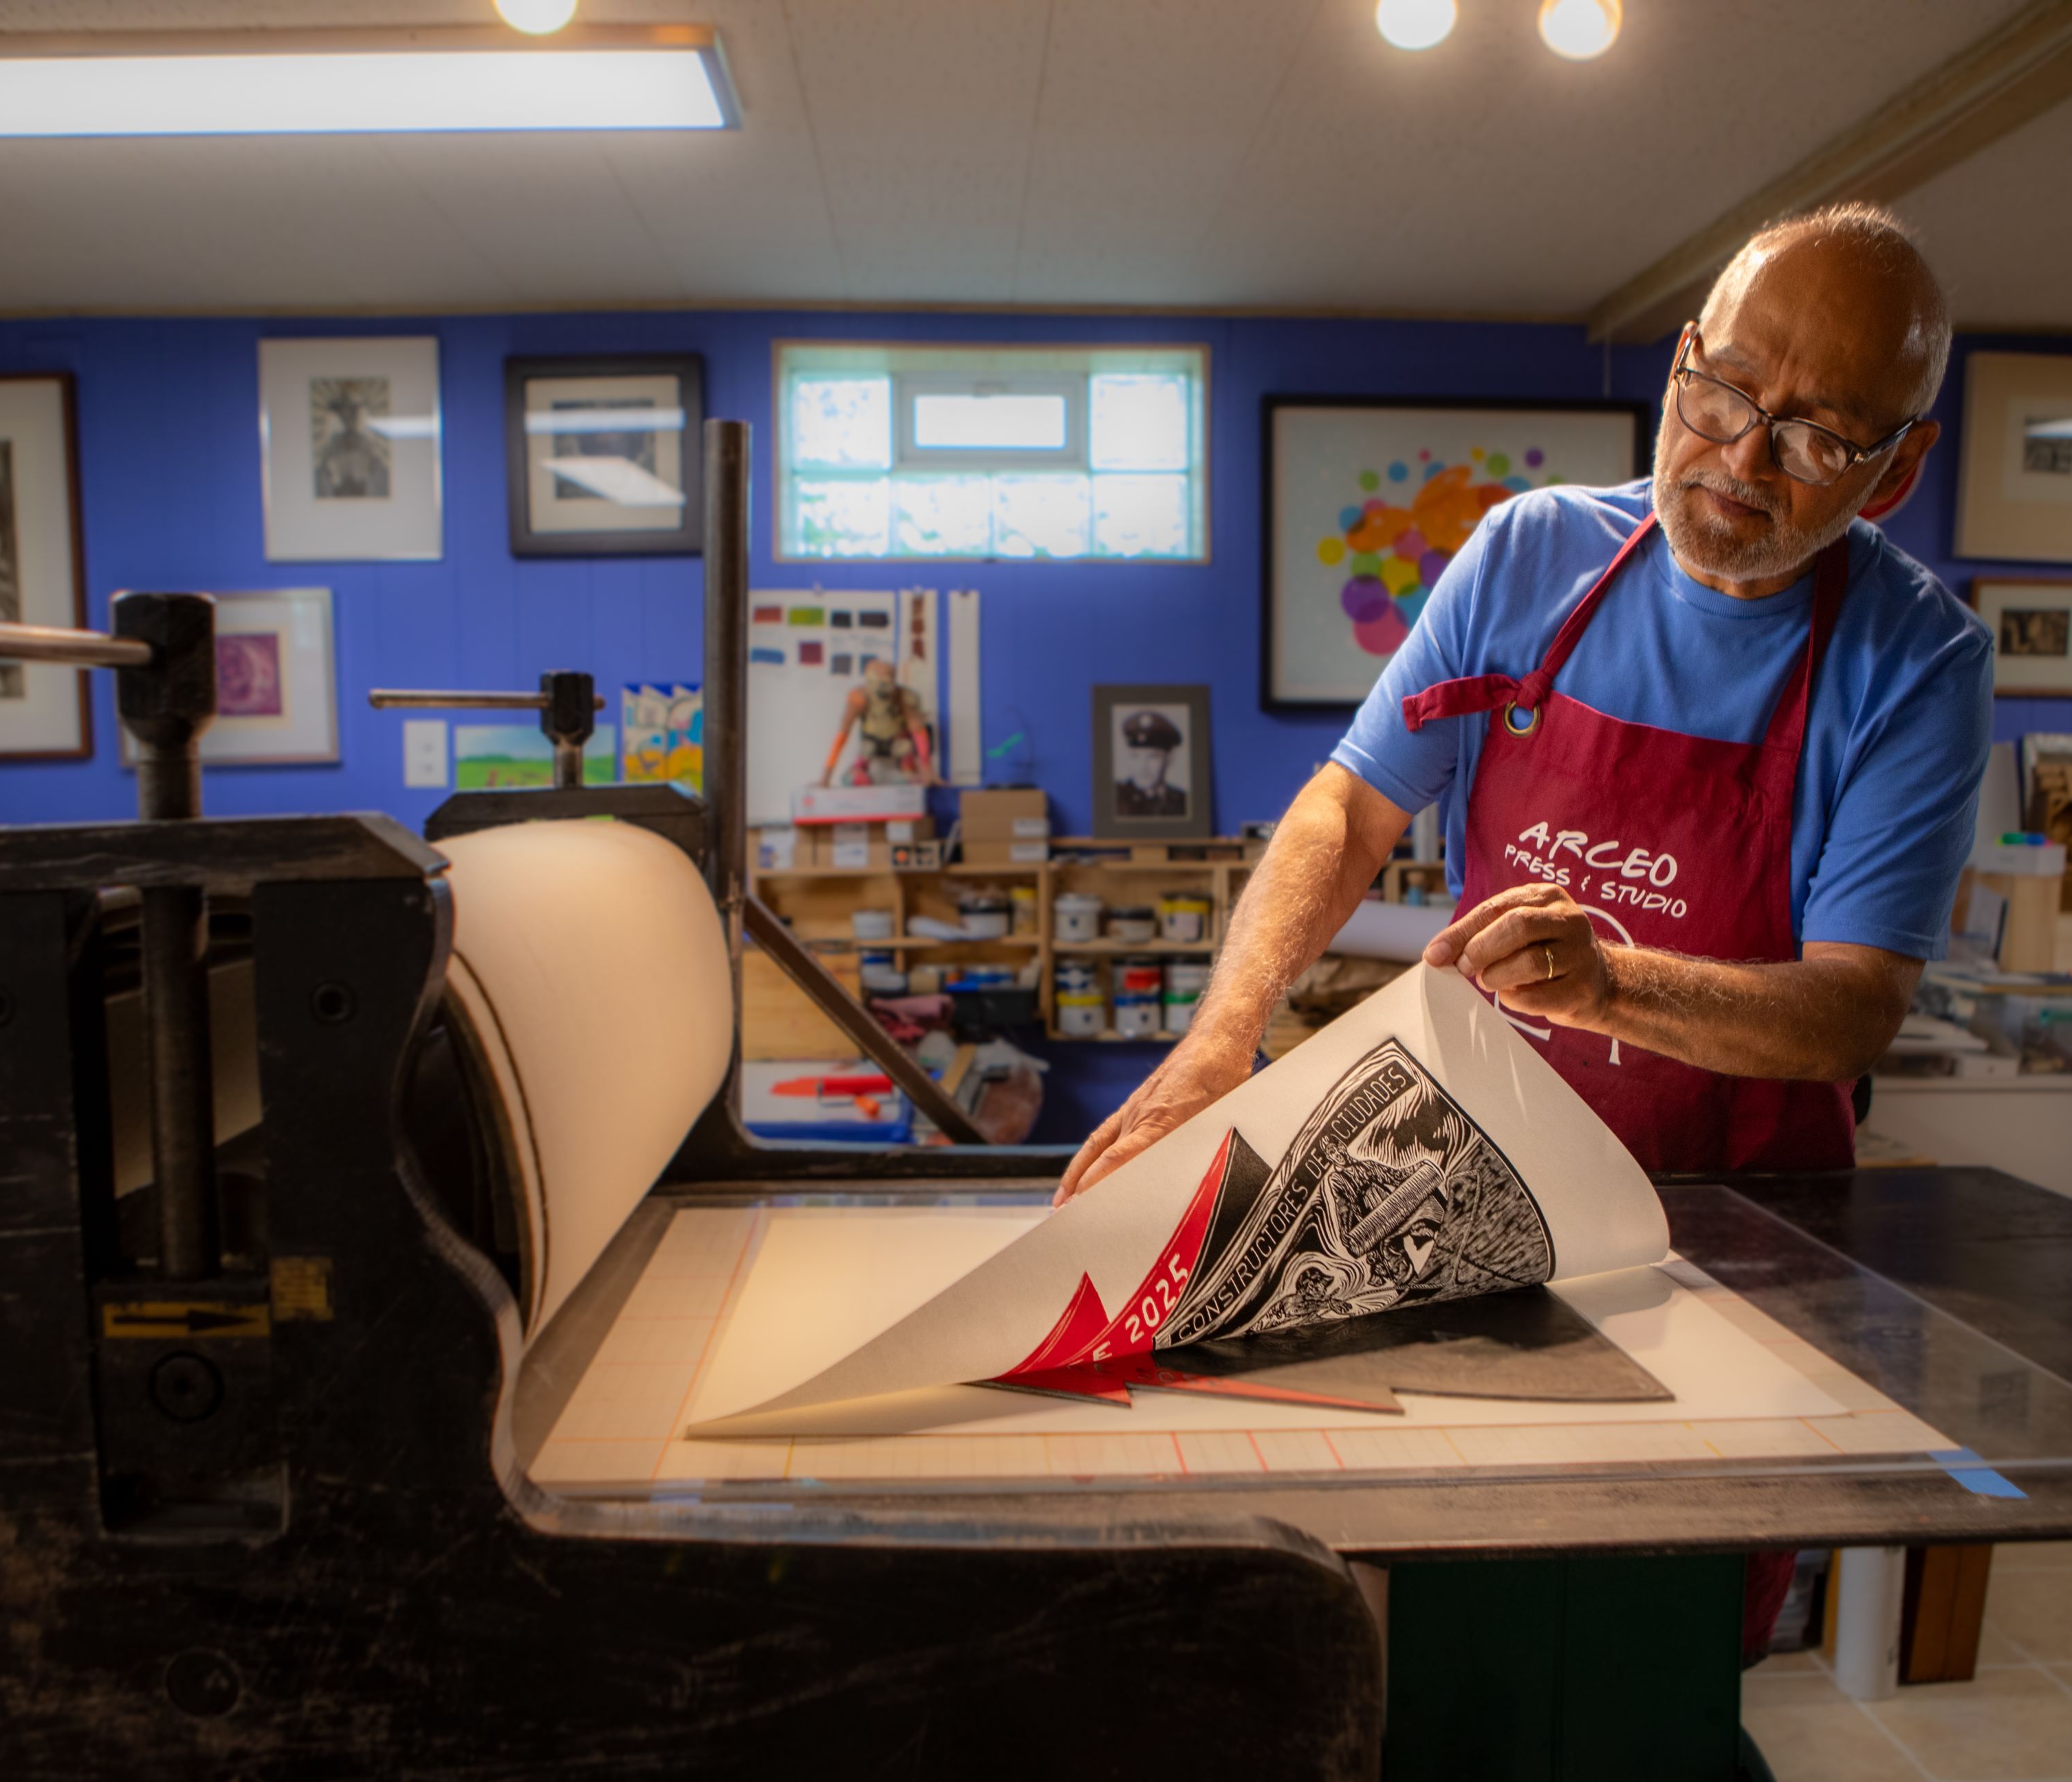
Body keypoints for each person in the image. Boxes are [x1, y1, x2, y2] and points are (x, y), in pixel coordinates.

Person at [1057, 202, 1990, 1660]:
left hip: (1734, 1235)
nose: (1739, 459)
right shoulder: (1525, 558)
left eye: (1812, 435)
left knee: (1654, 1646)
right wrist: (1218, 1034)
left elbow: (1850, 1006)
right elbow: (1346, 810)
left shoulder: (1915, 659)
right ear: (1679, 359)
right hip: (1470, 1202)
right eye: (1722, 391)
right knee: (1451, 1606)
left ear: (1896, 467)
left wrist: (1609, 982)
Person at [820, 655, 933, 785]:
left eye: (887, 681)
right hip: (870, 744)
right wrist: (826, 777)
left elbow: (918, 731)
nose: (883, 688)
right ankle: (858, 769)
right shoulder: (859, 698)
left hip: (898, 743)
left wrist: (927, 771)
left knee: (909, 767)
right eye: (879, 682)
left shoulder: (903, 697)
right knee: (862, 767)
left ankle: (909, 771)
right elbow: (842, 735)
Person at [1113, 710, 1189, 819]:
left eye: (1153, 757)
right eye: (1135, 756)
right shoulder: (1115, 797)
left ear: (1170, 758)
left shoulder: (1183, 802)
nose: (1143, 767)